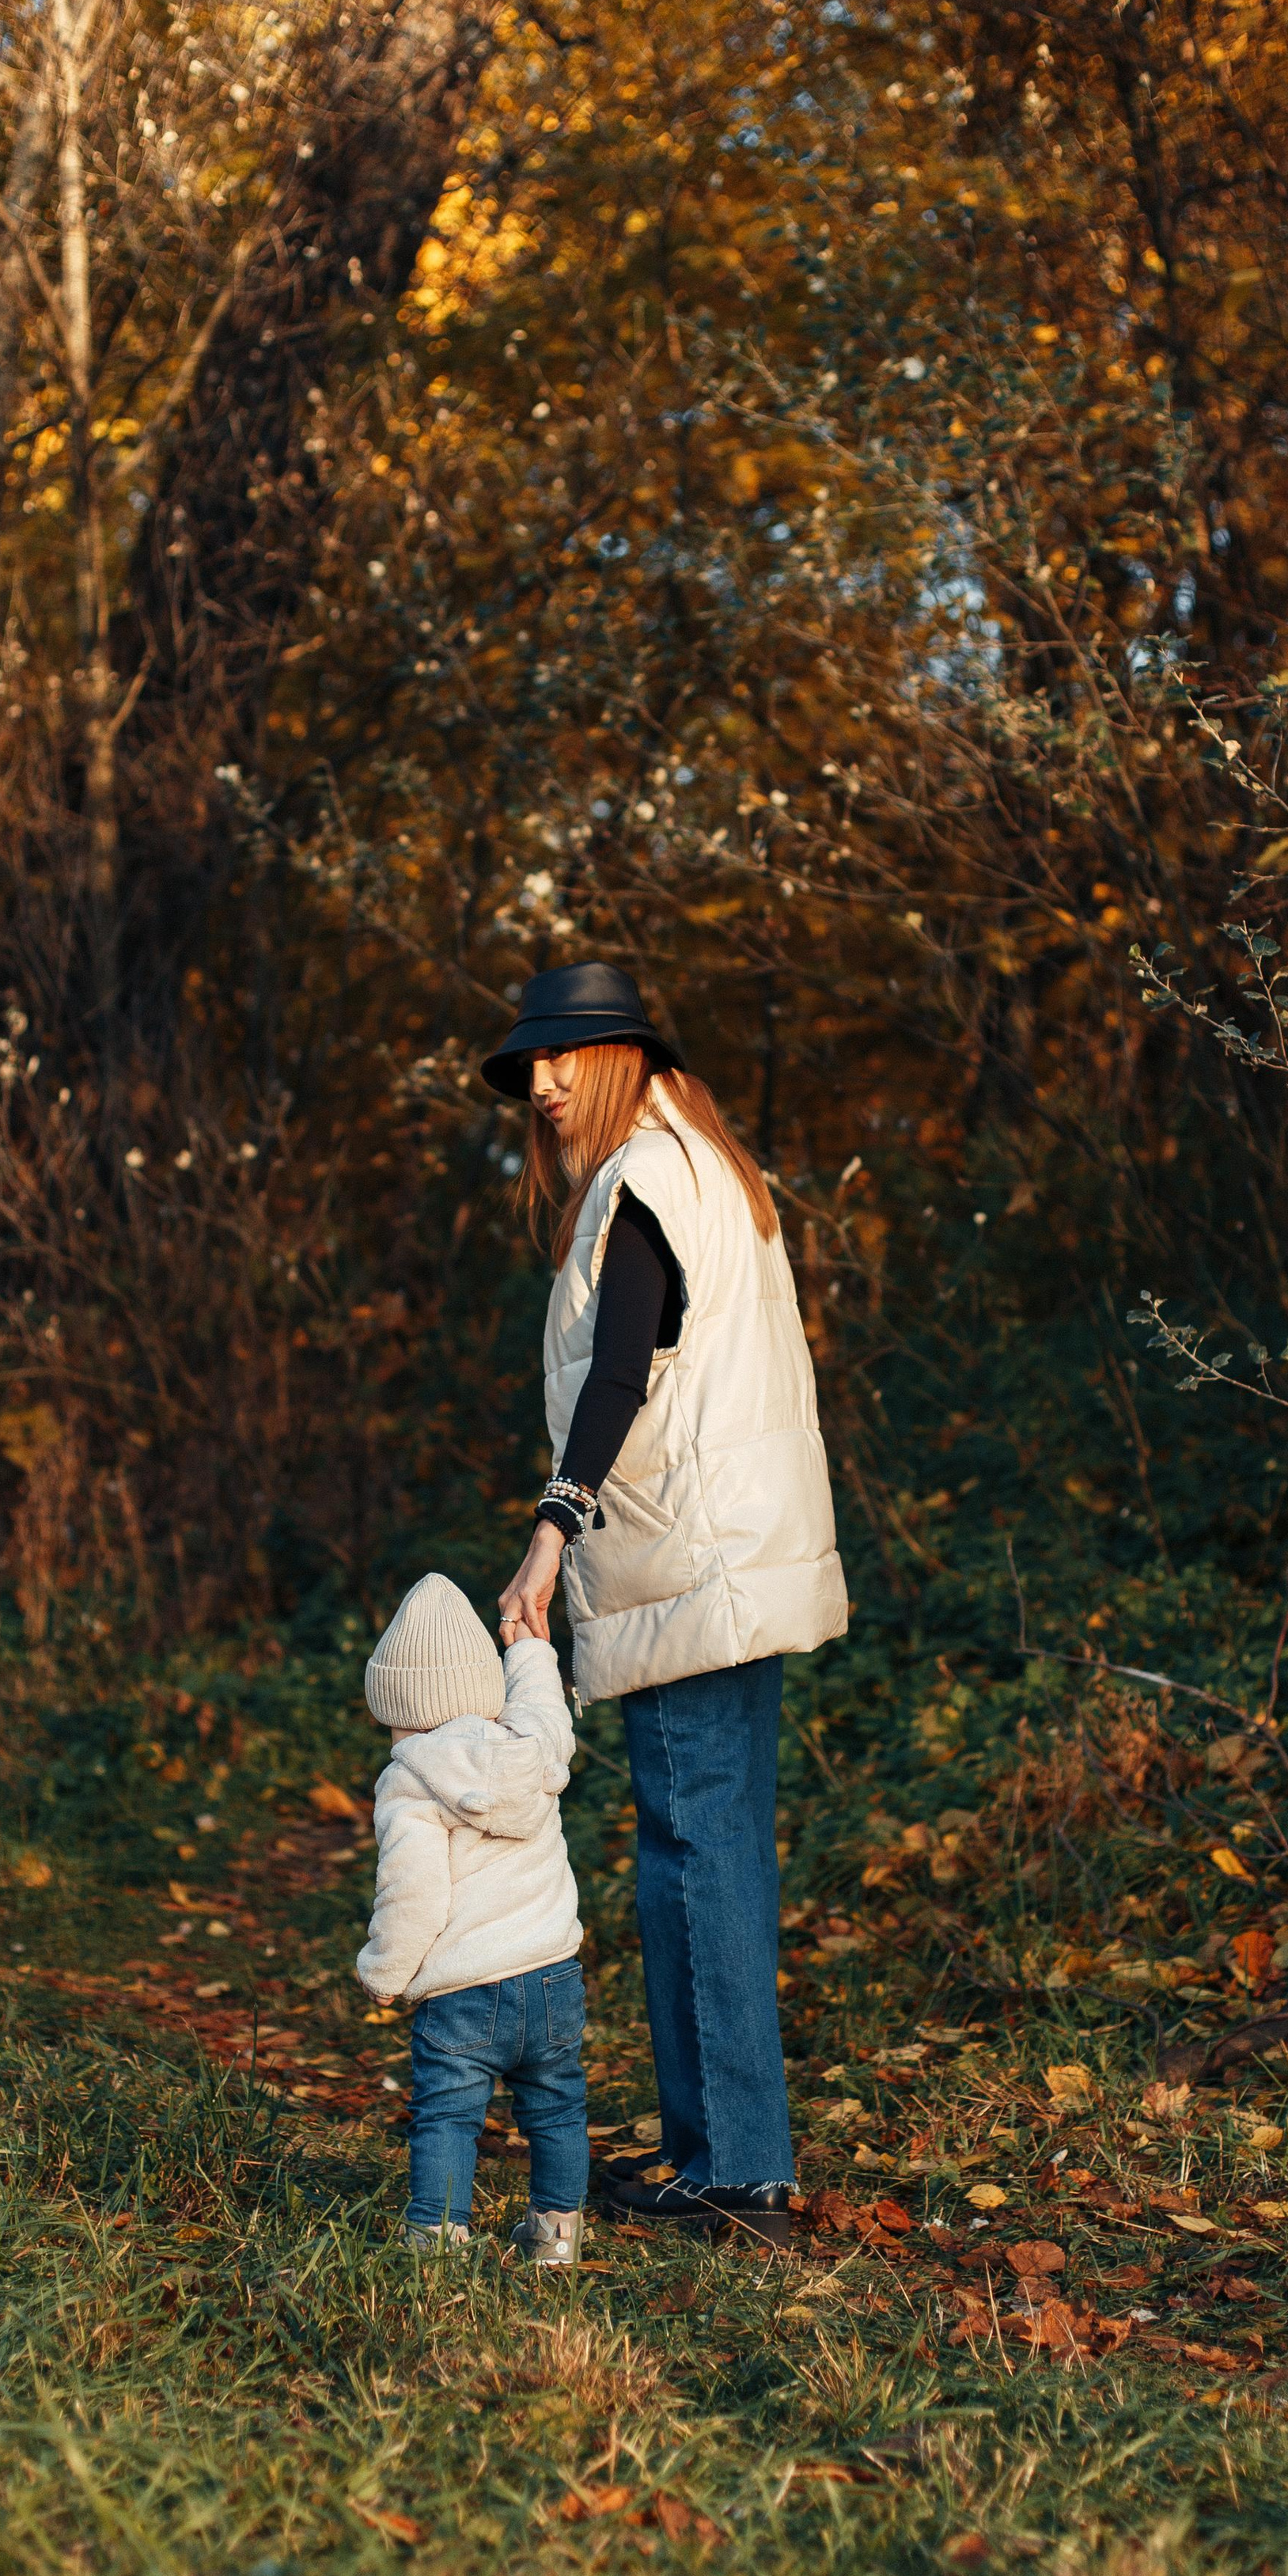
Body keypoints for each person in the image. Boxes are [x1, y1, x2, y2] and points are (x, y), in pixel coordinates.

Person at [484, 961, 846, 2248]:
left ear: (620, 1056)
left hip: (687, 1564)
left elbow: (622, 1376)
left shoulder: (641, 1182)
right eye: (531, 1063)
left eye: (560, 1059)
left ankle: (733, 2176)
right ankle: (729, 2156)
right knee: (717, 1847)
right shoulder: (706, 1165)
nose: (539, 1085)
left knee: (689, 1854)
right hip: (733, 1558)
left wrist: (547, 1535)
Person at [355, 1570, 588, 2267]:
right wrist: (530, 1651)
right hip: (552, 1978)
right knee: (555, 2112)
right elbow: (547, 1708)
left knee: (448, 2118)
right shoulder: (532, 1748)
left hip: (463, 1994)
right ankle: (556, 2240)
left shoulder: (409, 1783)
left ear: (401, 1709)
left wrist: (384, 1971)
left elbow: (413, 1894)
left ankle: (438, 2241)